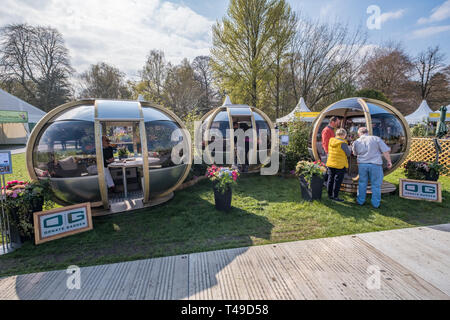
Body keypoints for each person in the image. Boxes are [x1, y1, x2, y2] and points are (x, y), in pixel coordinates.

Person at [352, 127, 392, 208]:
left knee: (362, 183)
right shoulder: (376, 138)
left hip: (362, 164)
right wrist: (389, 161)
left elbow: (354, 153)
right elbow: (385, 151)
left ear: (359, 133)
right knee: (376, 185)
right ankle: (375, 204)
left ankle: (360, 201)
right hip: (375, 164)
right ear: (367, 132)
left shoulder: (356, 141)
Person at [326, 128, 350, 202]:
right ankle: (335, 196)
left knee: (330, 179)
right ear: (344, 135)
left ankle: (329, 195)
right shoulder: (343, 143)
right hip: (340, 164)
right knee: (337, 181)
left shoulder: (331, 140)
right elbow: (348, 154)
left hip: (330, 162)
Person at [321, 116, 341, 184]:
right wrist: (328, 153)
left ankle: (327, 182)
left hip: (332, 152)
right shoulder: (326, 130)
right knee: (328, 168)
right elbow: (325, 143)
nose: (338, 123)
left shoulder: (332, 129)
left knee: (330, 168)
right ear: (332, 122)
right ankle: (325, 182)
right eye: (337, 122)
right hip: (329, 152)